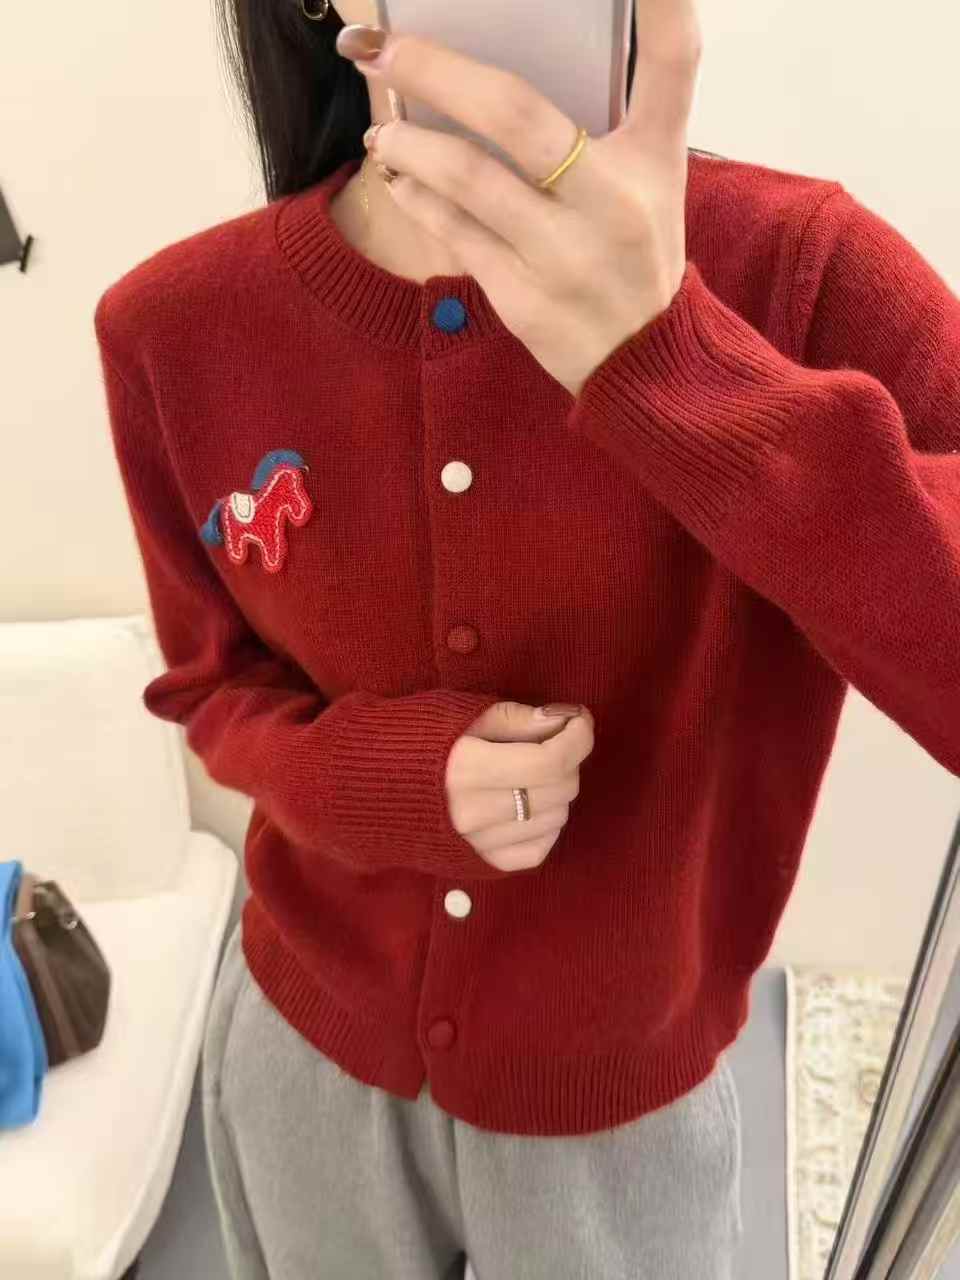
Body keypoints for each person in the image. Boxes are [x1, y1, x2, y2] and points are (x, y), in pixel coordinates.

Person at [93, 1, 960, 1277]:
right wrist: (377, 778)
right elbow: (208, 688)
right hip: (304, 1069)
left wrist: (674, 367)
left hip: (621, 1110)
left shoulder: (803, 275)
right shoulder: (172, 327)